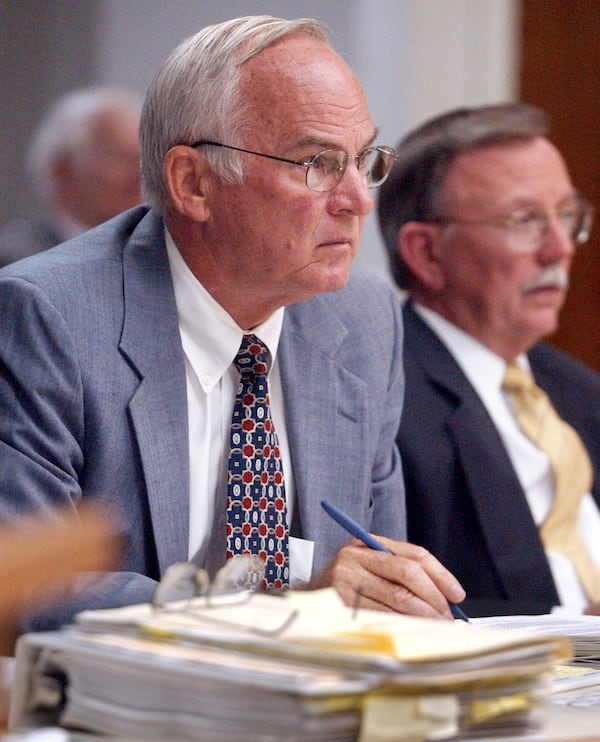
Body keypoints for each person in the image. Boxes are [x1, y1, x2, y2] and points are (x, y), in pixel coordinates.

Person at [0, 16, 465, 631]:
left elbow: (377, 573)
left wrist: (396, 592)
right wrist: (282, 607)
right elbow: (27, 588)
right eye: (318, 163)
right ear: (193, 183)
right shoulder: (48, 316)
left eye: (363, 160)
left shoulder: (363, 321)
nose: (358, 198)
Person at [377, 102, 600, 617]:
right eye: (525, 221)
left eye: (566, 215)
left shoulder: (577, 391)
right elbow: (403, 610)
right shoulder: (385, 401)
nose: (561, 247)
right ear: (427, 253)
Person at [0, 86, 143, 266]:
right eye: (119, 159)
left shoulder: (154, 260)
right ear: (63, 171)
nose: (138, 175)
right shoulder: (16, 263)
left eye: (142, 160)